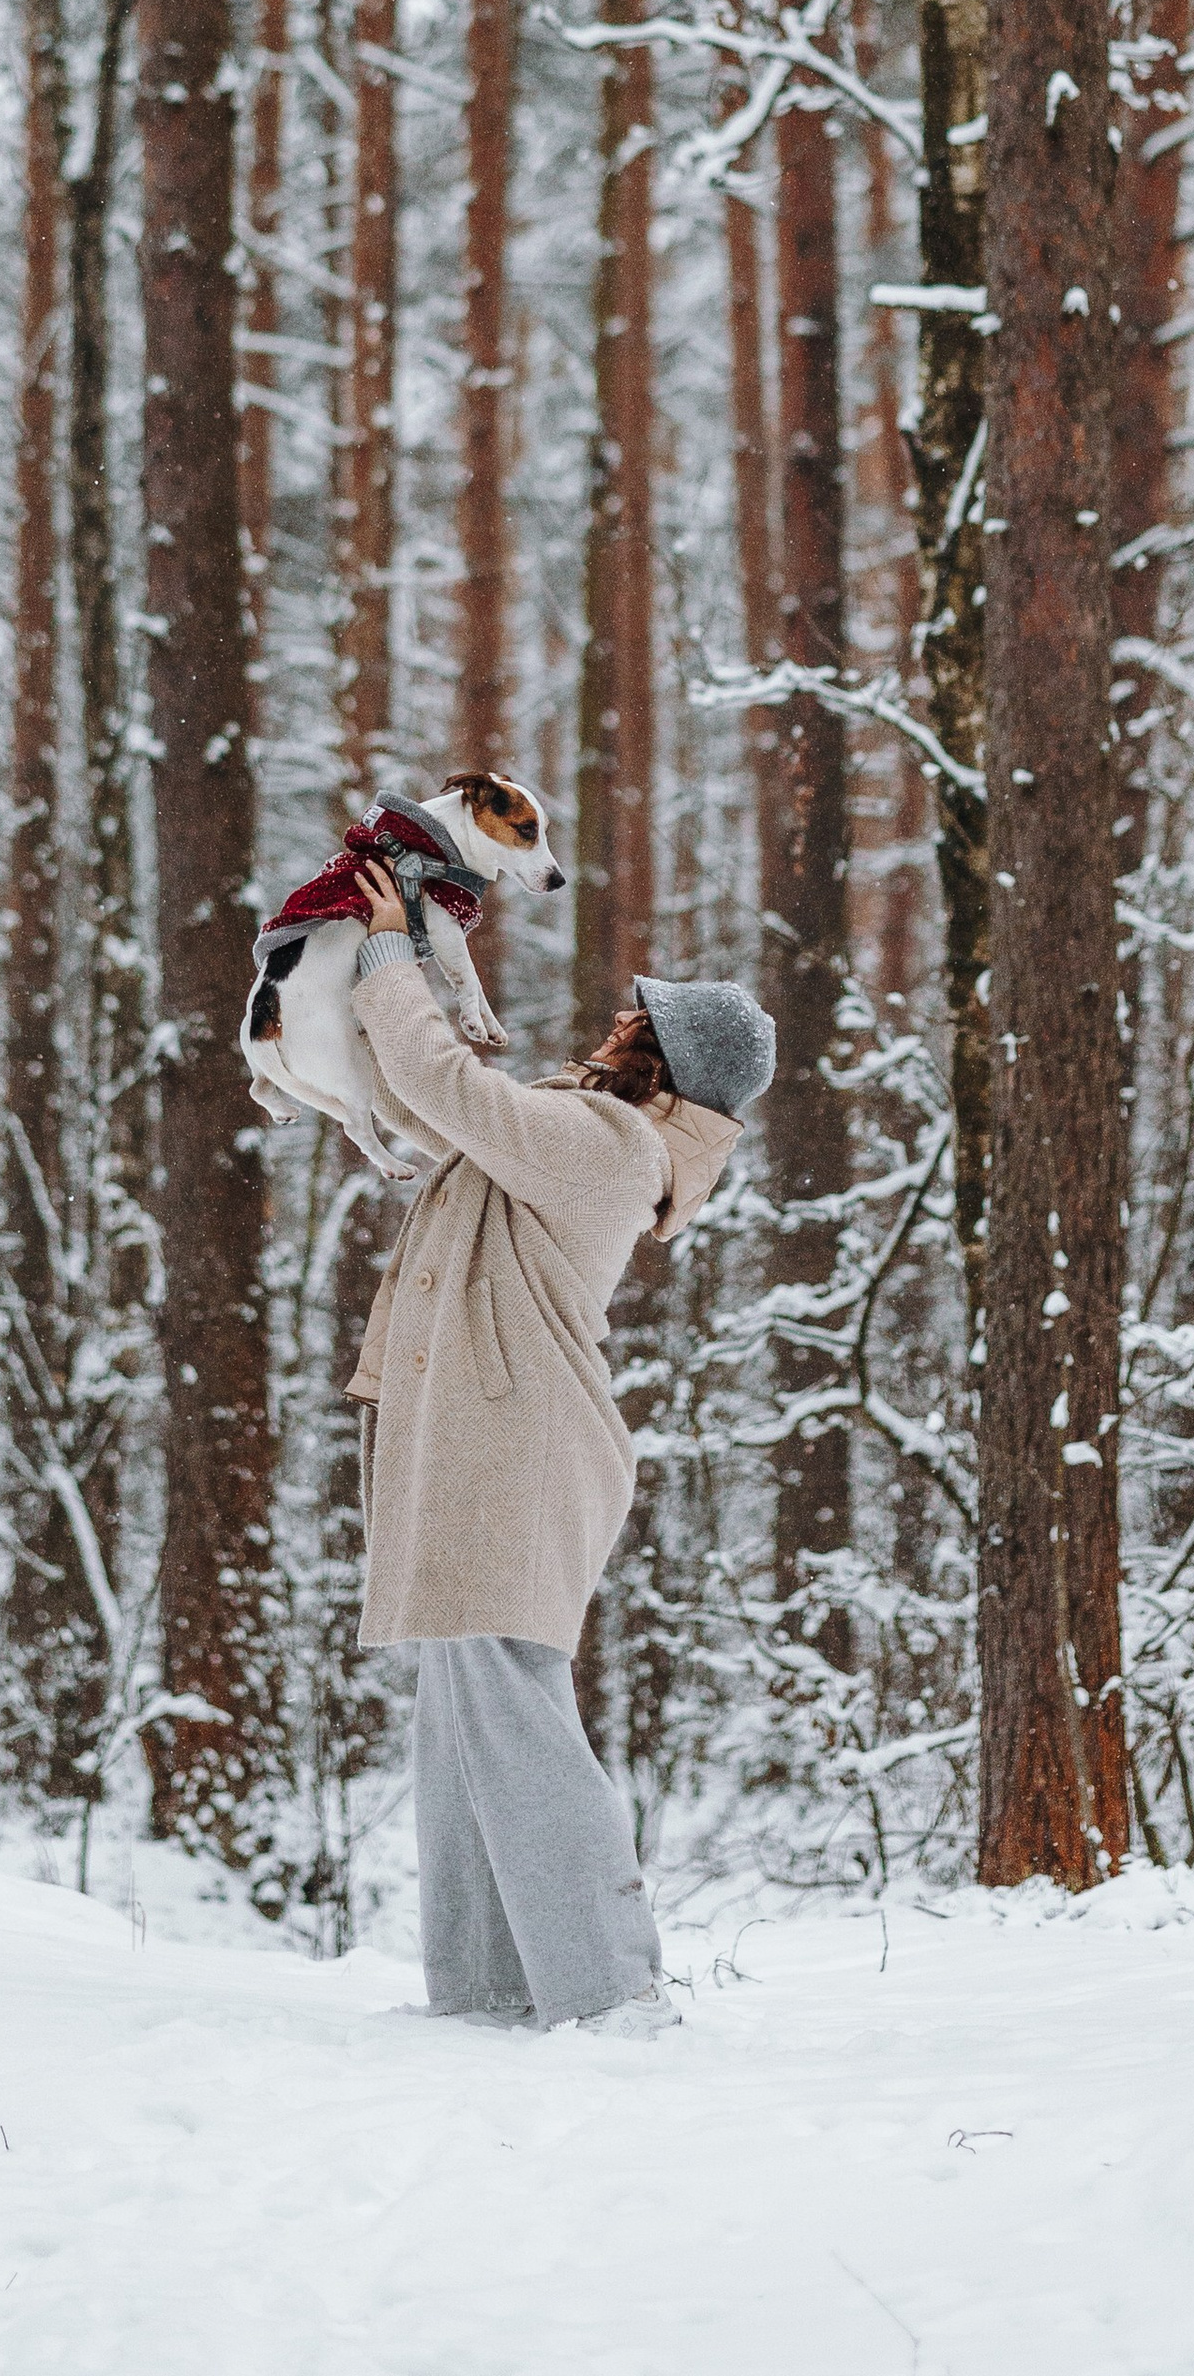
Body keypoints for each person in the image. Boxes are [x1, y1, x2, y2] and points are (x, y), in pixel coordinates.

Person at [342, 871, 772, 2035]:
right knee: (464, 1710)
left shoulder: (612, 1146)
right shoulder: (583, 1134)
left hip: (520, 1445)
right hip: (492, 1436)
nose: (615, 1027)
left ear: (667, 1069)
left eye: (640, 1026)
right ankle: (488, 1988)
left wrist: (390, 951)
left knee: (510, 1709)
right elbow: (432, 1100)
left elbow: (442, 1081)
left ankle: (612, 1989)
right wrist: (392, 966)